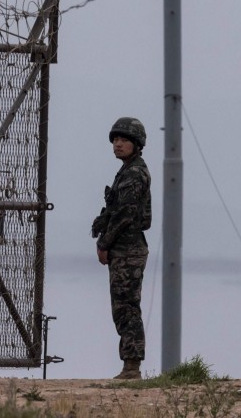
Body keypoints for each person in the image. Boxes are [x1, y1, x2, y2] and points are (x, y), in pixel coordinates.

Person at [90, 116, 152, 380]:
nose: (118, 144)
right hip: (124, 248)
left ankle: (132, 366)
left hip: (128, 248)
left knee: (126, 308)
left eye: (124, 139)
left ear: (136, 143)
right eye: (116, 139)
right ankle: (130, 365)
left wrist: (105, 243)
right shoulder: (127, 171)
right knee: (123, 307)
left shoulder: (135, 173)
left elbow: (125, 213)